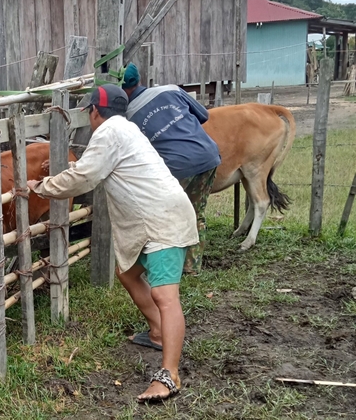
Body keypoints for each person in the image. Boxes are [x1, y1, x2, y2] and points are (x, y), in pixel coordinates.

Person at [27, 84, 198, 402]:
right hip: (160, 214)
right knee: (128, 274)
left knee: (165, 294)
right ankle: (158, 333)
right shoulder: (124, 129)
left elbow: (84, 178)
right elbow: (91, 168)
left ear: (94, 111)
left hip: (162, 219)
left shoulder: (108, 133)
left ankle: (169, 375)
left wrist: (41, 186)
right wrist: (64, 173)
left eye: (88, 112)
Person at [122, 63, 221, 275]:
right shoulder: (171, 89)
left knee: (165, 217)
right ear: (139, 79)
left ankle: (163, 268)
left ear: (121, 89)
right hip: (208, 156)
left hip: (176, 168)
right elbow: (203, 115)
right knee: (196, 212)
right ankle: (191, 267)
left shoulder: (128, 117)